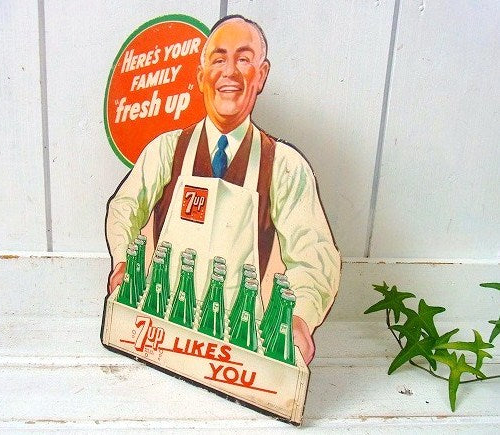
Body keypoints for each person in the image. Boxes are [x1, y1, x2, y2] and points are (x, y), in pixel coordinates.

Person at [106, 15, 341, 364]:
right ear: (201, 76)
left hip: (236, 350)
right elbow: (126, 206)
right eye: (218, 59)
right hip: (160, 331)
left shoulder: (284, 167)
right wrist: (124, 262)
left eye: (244, 59)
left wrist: (299, 318)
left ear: (261, 74)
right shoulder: (166, 150)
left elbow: (313, 253)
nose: (229, 71)